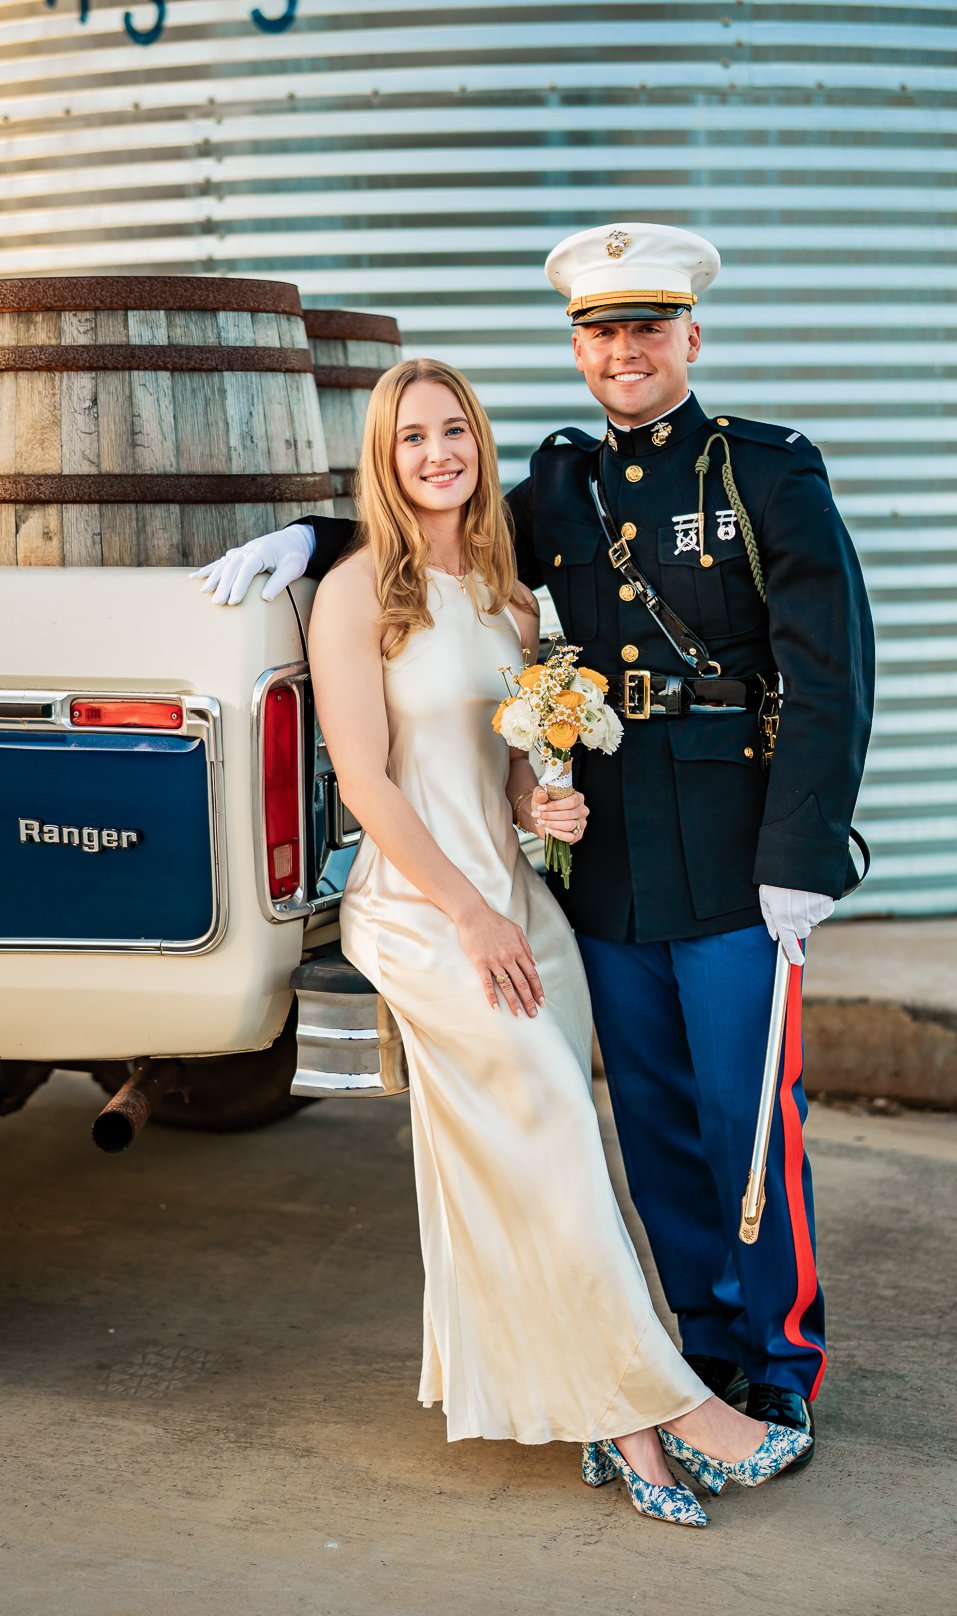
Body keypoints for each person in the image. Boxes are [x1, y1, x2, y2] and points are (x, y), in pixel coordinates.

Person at [196, 223, 875, 1464]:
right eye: (600, 332)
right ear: (578, 349)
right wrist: (311, 540)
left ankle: (781, 1364)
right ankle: (699, 1347)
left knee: (746, 1117)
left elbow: (831, 673)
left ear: (690, 337)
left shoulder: (764, 474)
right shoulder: (565, 488)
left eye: (646, 328)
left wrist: (804, 853)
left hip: (735, 850)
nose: (624, 351)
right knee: (654, 1120)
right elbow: (432, 534)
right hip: (607, 856)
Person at [301, 354, 810, 1527]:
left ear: (478, 447)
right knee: (547, 1129)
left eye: (455, 433)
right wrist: (470, 914)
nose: (437, 454)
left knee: (553, 1143)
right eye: (412, 436)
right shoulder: (355, 593)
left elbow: (516, 757)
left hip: (518, 896)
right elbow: (369, 784)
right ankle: (656, 1416)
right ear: (382, 457)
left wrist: (542, 803)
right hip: (425, 910)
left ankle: (600, 1403)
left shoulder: (504, 593)